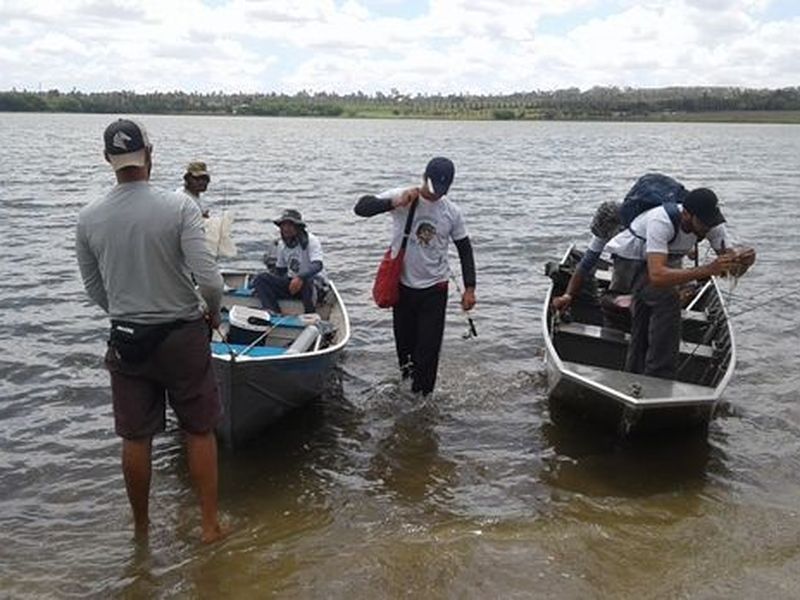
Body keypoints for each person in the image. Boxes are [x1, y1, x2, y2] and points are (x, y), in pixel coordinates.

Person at [76, 118, 226, 543]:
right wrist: (211, 313)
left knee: (135, 437)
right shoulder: (180, 207)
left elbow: (93, 288)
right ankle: (210, 525)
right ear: (150, 155)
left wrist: (125, 311)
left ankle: (141, 531)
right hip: (181, 333)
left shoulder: (89, 218)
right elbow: (210, 281)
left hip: (127, 339)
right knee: (198, 429)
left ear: (108, 159)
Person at [354, 156, 477, 397]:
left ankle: (424, 400)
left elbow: (465, 249)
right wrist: (393, 202)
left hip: (435, 289)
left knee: (428, 353)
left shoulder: (451, 212)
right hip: (403, 288)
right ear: (424, 177)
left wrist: (469, 288)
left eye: (442, 190)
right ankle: (408, 400)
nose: (435, 194)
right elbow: (361, 208)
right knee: (406, 351)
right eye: (432, 188)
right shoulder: (403, 197)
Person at [603, 187, 755, 378]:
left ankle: (634, 371)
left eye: (712, 222)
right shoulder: (661, 220)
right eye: (703, 223)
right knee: (667, 299)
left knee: (644, 316)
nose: (708, 228)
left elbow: (730, 270)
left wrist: (744, 263)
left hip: (661, 259)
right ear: (686, 215)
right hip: (631, 261)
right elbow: (657, 276)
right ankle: (659, 376)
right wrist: (708, 269)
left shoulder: (712, 225)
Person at [551, 200, 623, 312]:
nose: (606, 240)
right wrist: (568, 295)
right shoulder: (603, 228)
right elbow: (585, 264)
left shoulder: (639, 231)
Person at [252, 209, 327, 315]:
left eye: (290, 225)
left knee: (307, 282)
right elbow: (280, 271)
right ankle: (273, 312)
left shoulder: (312, 240)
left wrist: (300, 277)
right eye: (283, 226)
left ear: (298, 227)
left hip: (313, 285)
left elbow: (318, 265)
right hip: (293, 285)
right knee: (261, 279)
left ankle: (310, 315)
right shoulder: (282, 245)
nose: (286, 229)